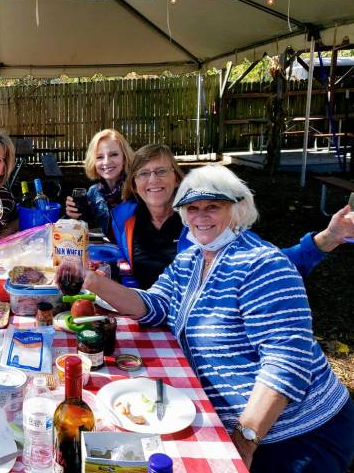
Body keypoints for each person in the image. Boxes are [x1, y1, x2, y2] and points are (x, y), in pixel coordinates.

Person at [85, 165, 354, 473]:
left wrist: (245, 440)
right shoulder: (191, 258)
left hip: (297, 435)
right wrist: (90, 281)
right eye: (192, 208)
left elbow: (287, 363)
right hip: (230, 420)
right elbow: (155, 304)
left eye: (213, 206)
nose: (201, 216)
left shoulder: (261, 264)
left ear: (238, 209)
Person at [110, 144, 354, 289]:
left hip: (199, 320)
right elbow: (120, 256)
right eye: (143, 174)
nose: (153, 180)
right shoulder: (124, 217)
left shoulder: (203, 218)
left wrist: (328, 238)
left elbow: (272, 262)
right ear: (133, 182)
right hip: (150, 311)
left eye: (161, 171)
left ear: (176, 177)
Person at [65, 129, 134, 238]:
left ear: (124, 158)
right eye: (100, 157)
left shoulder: (136, 189)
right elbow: (87, 228)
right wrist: (72, 216)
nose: (106, 162)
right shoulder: (94, 192)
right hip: (108, 252)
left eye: (114, 154)